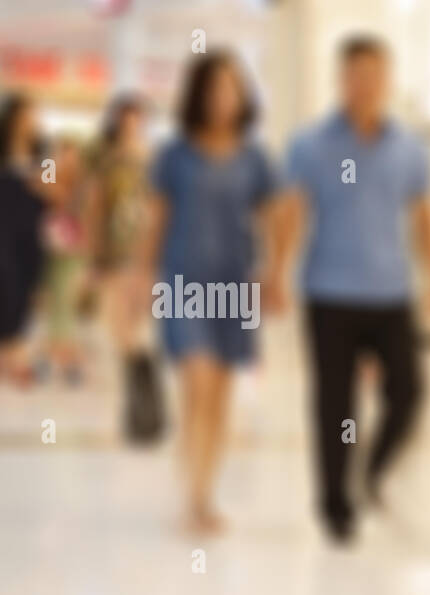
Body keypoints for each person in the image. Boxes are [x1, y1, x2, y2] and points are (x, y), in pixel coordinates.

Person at [282, 34, 430, 543]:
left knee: (410, 391)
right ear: (342, 79)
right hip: (329, 293)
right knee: (335, 404)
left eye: (375, 75)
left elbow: (425, 217)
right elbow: (292, 210)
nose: (366, 84)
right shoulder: (310, 145)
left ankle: (371, 468)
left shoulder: (410, 150)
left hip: (391, 293)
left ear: (388, 80)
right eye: (356, 74)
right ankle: (335, 505)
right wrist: (274, 270)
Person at [134, 50, 286, 534]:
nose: (225, 97)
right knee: (197, 382)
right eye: (216, 87)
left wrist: (276, 273)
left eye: (233, 87)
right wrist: (141, 276)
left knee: (220, 396)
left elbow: (273, 216)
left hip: (234, 283)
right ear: (199, 94)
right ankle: (192, 497)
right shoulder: (173, 156)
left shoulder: (254, 158)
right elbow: (155, 220)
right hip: (183, 281)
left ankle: (205, 495)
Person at [86, 93, 161, 438]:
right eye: (126, 118)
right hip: (114, 253)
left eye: (136, 118)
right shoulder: (105, 161)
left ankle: (142, 401)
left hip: (143, 253)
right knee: (119, 329)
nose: (131, 125)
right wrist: (93, 254)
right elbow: (95, 208)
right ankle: (138, 390)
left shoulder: (154, 160)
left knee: (135, 326)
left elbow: (162, 209)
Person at [0, 93, 56, 386]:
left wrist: (38, 182)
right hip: (3, 224)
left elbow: (53, 193)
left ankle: (15, 352)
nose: (29, 123)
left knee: (26, 286)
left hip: (31, 227)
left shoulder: (43, 155)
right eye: (24, 116)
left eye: (33, 117)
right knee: (6, 281)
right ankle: (10, 353)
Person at [39, 135, 90, 384]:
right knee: (56, 303)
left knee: (66, 302)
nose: (67, 158)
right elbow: (47, 195)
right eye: (63, 152)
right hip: (53, 247)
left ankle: (66, 359)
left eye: (71, 153)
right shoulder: (51, 172)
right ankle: (59, 357)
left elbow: (81, 210)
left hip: (74, 249)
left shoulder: (83, 182)